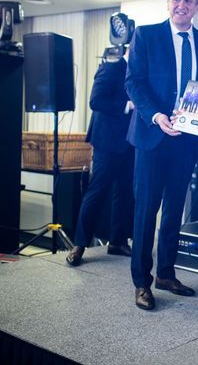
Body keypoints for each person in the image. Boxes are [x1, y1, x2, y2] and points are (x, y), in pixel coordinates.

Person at [125, 0, 198, 310]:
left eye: (188, 1)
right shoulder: (146, 35)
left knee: (175, 209)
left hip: (187, 140)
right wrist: (156, 115)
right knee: (146, 210)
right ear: (168, 3)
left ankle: (166, 273)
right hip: (152, 135)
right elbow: (134, 82)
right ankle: (141, 281)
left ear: (197, 6)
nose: (182, 5)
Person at [66, 52, 134, 266]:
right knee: (96, 191)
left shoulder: (142, 73)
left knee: (126, 193)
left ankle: (118, 241)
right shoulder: (110, 68)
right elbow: (96, 101)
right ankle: (79, 245)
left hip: (132, 142)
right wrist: (128, 105)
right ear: (131, 49)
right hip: (107, 142)